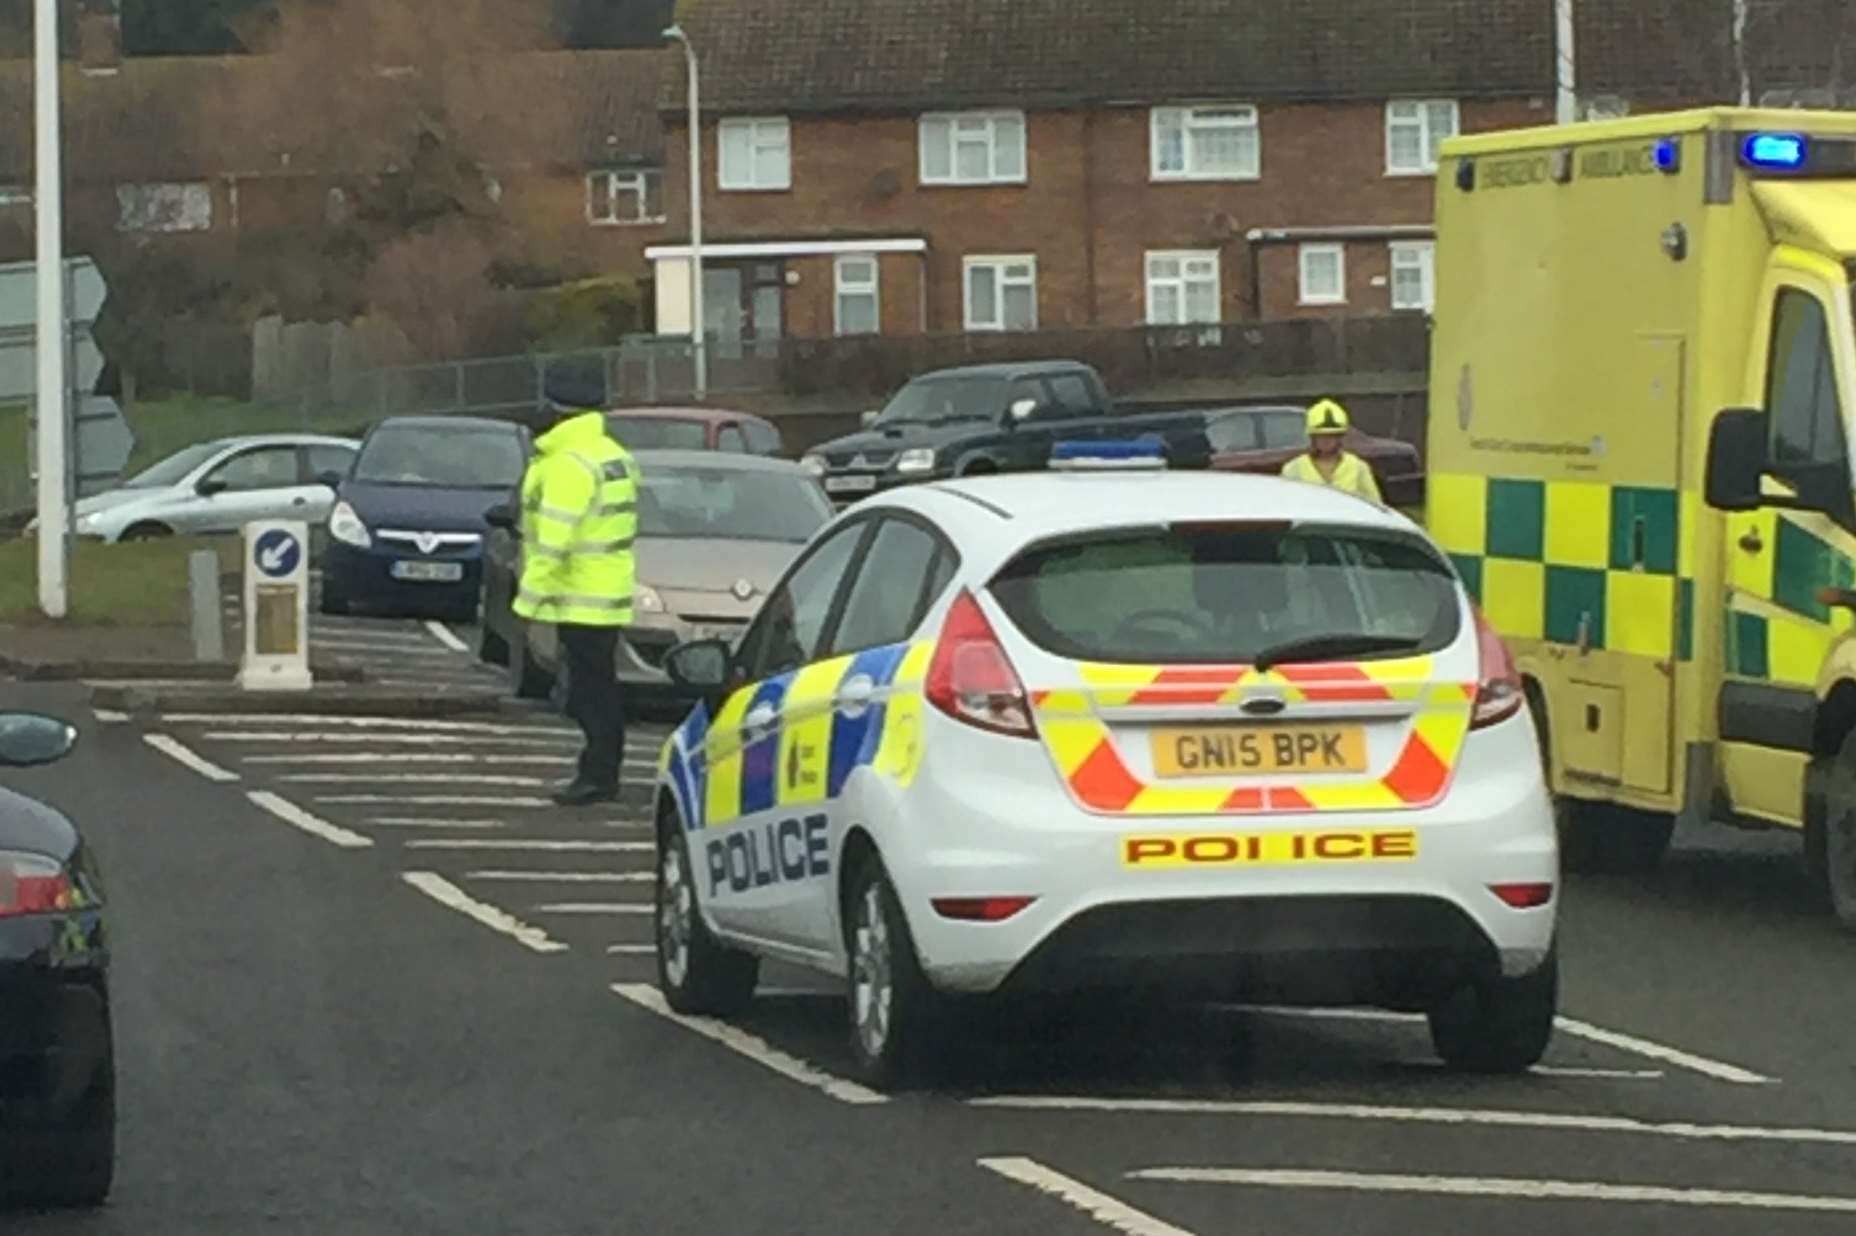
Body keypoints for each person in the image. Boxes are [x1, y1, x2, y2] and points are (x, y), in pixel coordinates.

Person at [515, 376, 639, 806]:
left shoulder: (569, 463)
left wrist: (528, 600)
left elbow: (554, 539)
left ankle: (598, 774)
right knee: (596, 685)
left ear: (557, 410)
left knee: (590, 693)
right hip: (606, 591)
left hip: (579, 595)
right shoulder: (613, 456)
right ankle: (601, 769)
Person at [1280, 398, 1383, 504]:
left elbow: (1375, 505)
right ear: (1312, 437)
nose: (1326, 440)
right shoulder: (1293, 469)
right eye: (1321, 436)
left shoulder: (1358, 467)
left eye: (1332, 435)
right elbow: (1286, 505)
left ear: (1340, 437)